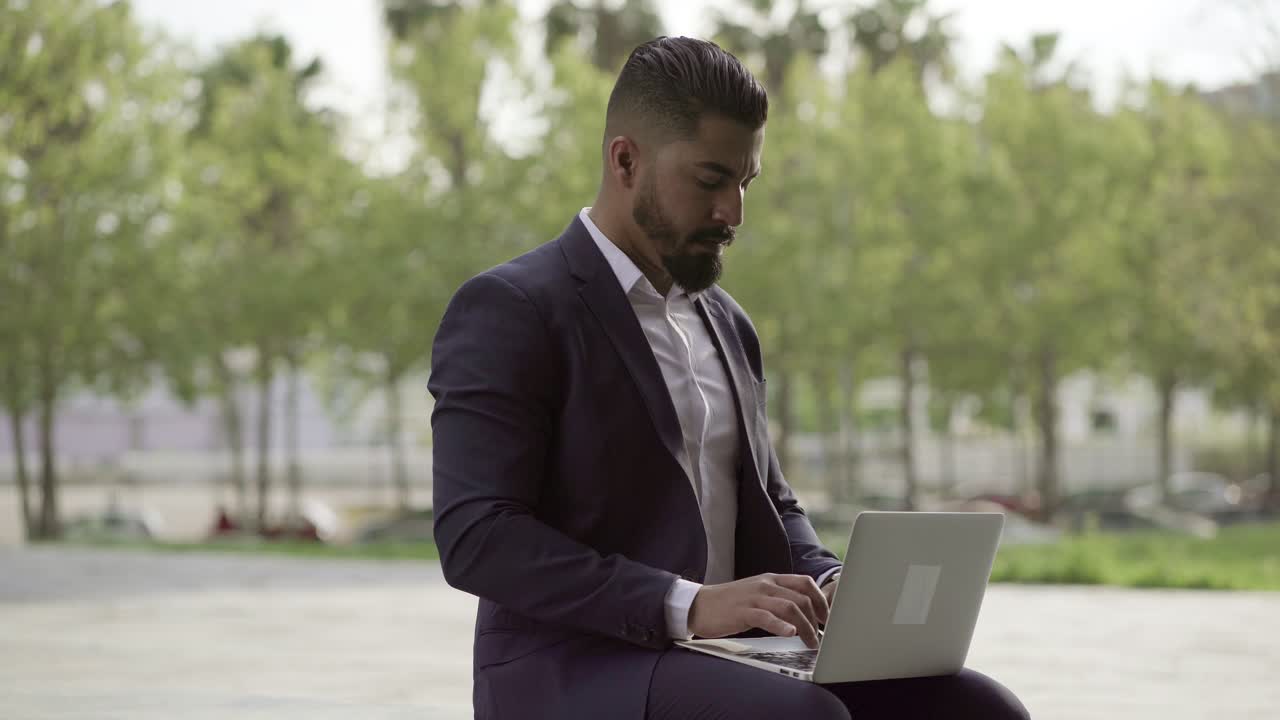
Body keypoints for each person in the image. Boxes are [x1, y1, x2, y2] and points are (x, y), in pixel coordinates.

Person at [429, 35, 1029, 720]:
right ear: (625, 160)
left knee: (981, 708)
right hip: (572, 666)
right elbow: (478, 536)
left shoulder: (727, 322)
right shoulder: (512, 308)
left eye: (745, 183)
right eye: (711, 180)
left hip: (732, 656)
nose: (733, 213)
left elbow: (770, 500)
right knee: (804, 719)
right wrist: (688, 605)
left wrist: (833, 582)